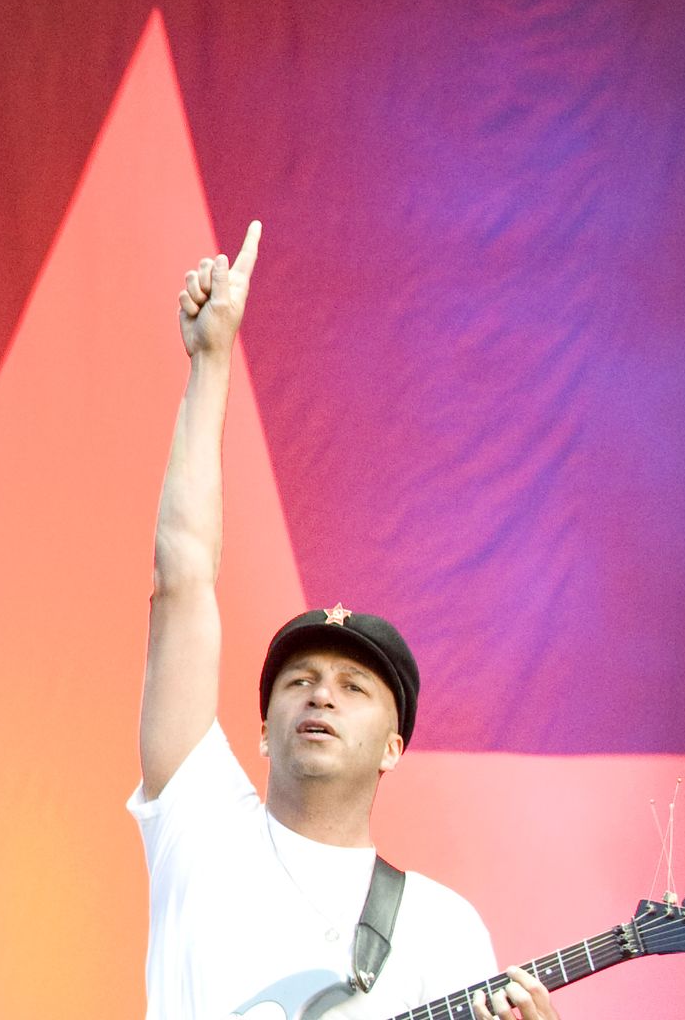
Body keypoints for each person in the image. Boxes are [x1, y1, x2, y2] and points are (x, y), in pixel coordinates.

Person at [131, 221, 560, 1020]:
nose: (320, 695)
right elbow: (182, 577)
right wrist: (212, 363)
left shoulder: (444, 930)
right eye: (299, 681)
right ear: (263, 730)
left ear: (395, 747)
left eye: (353, 686)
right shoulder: (201, 829)